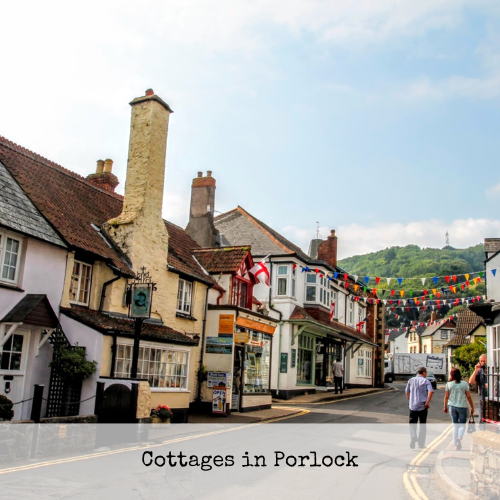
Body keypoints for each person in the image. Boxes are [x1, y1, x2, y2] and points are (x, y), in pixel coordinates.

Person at [444, 368, 474, 450]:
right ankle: (460, 437)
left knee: (455, 426)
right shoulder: (465, 384)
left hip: (452, 407)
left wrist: (445, 406)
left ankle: (456, 445)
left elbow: (446, 396)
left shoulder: (449, 384)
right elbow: (469, 396)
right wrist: (472, 406)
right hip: (462, 407)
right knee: (462, 425)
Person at [406, 366, 434, 449]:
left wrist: (410, 400)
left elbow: (407, 392)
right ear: (424, 372)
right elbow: (431, 391)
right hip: (422, 406)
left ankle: (413, 436)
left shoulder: (411, 380)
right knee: (422, 425)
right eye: (426, 373)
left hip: (413, 406)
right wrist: (427, 402)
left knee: (412, 424)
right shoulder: (426, 381)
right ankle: (421, 444)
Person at [469, 354, 487, 426]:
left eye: (484, 361)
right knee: (481, 420)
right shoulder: (480, 371)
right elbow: (471, 381)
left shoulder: (492, 369)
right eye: (481, 361)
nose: (482, 363)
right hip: (482, 398)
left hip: (491, 398)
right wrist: (476, 370)